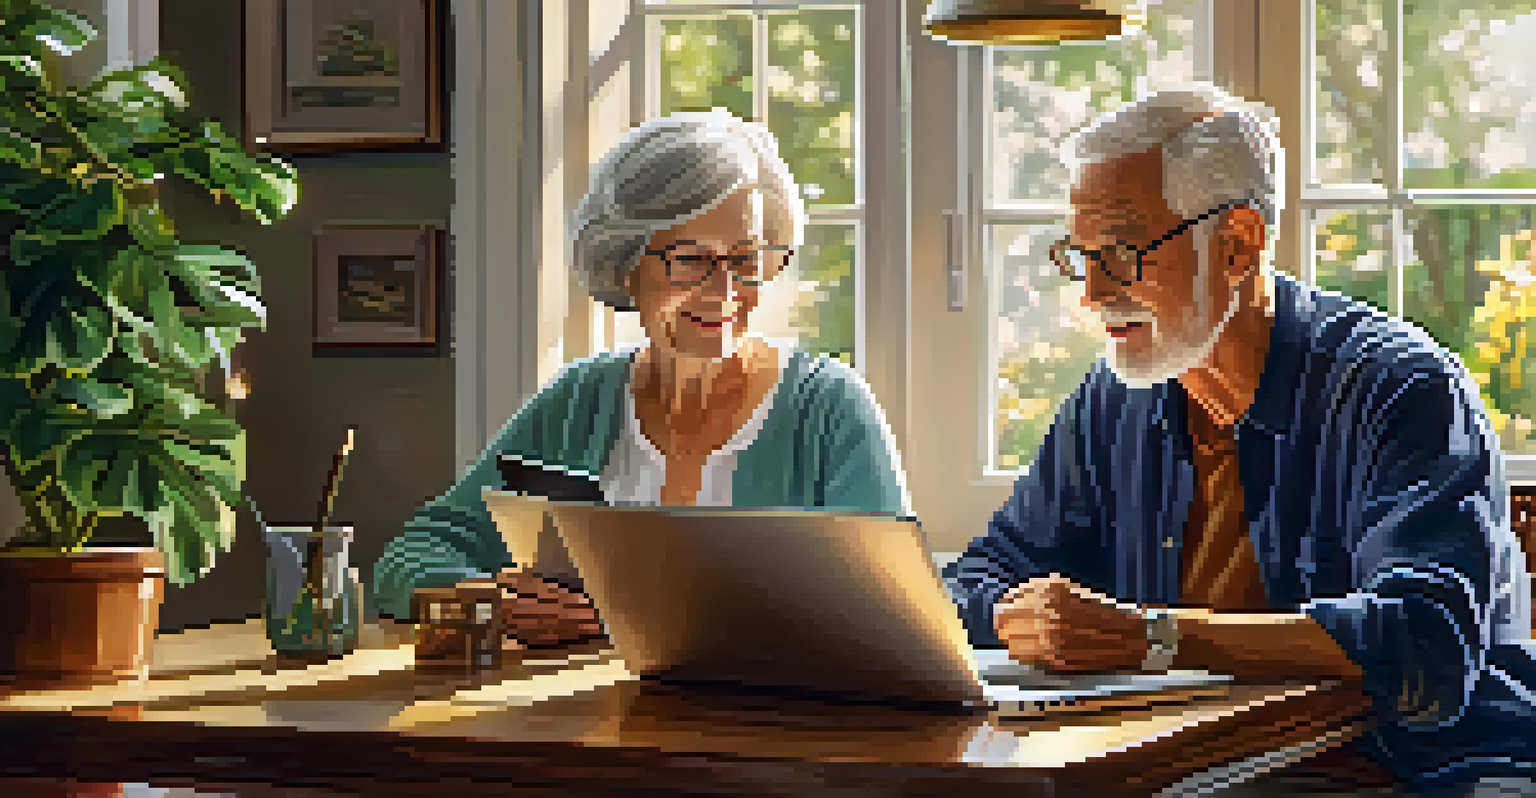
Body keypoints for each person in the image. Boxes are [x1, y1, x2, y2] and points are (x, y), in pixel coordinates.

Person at [942, 84, 1536, 796]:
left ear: (1237, 243)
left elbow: (1425, 642)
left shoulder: (1399, 386)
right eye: (1080, 255)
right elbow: (982, 575)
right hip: (1194, 766)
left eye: (1124, 253)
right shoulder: (1112, 398)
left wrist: (1154, 639)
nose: (1094, 294)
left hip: (1412, 771)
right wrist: (1018, 617)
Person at [373, 111, 912, 642]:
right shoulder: (580, 400)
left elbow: (892, 611)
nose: (723, 290)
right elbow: (409, 559)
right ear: (626, 263)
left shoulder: (830, 410)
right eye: (689, 259)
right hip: (586, 725)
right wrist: (494, 600)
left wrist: (622, 621)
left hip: (775, 725)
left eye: (745, 259)